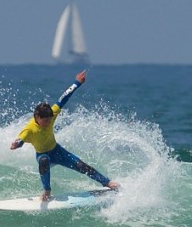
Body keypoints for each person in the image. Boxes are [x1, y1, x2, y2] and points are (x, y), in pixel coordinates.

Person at [10, 70, 119, 201]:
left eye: (49, 121)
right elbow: (21, 140)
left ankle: (107, 182)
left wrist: (77, 83)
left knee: (82, 166)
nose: (48, 123)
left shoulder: (51, 114)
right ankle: (47, 191)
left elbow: (63, 98)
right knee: (43, 161)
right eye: (45, 121)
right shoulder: (29, 129)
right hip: (43, 155)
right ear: (37, 117)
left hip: (57, 151)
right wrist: (17, 144)